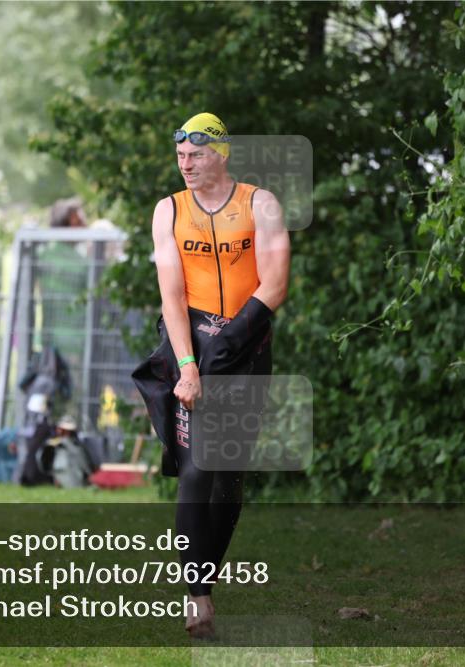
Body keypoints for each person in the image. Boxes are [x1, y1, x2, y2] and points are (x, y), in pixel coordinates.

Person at [132, 112, 291, 638]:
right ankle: (196, 596)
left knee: (229, 479)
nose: (186, 164)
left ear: (220, 154)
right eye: (180, 156)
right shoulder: (168, 211)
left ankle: (206, 580)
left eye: (195, 155)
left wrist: (231, 342)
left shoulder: (259, 203)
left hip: (246, 343)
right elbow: (171, 295)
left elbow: (274, 284)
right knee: (198, 468)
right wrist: (187, 365)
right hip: (192, 340)